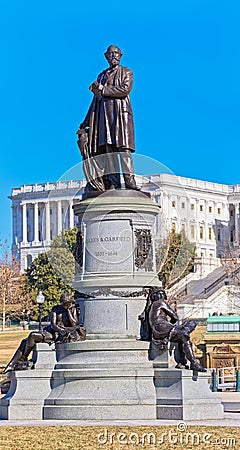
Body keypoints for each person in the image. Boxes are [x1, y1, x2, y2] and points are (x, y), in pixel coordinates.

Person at [77, 45, 139, 192]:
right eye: (110, 54)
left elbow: (124, 89)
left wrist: (103, 90)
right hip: (104, 118)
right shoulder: (101, 76)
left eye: (116, 54)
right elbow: (95, 101)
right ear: (106, 56)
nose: (113, 57)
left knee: (124, 150)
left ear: (121, 55)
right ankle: (113, 182)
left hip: (120, 116)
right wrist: (85, 122)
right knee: (108, 152)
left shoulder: (127, 72)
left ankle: (130, 181)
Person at [2, 293, 86, 374]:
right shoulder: (55, 309)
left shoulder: (73, 309)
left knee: (32, 336)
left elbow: (75, 324)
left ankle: (22, 359)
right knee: (25, 341)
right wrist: (60, 330)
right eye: (63, 303)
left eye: (67, 303)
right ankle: (11, 364)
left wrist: (68, 311)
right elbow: (53, 324)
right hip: (53, 330)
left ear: (70, 302)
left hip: (57, 335)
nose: (64, 305)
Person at [139, 287, 207, 372]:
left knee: (184, 336)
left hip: (159, 329)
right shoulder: (160, 303)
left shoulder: (153, 305)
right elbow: (175, 317)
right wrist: (172, 325)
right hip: (161, 327)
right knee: (190, 324)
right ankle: (194, 363)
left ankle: (186, 362)